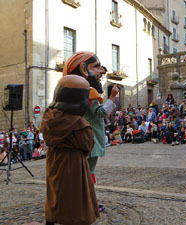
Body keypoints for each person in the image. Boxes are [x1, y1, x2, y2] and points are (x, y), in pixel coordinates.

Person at [63, 51, 118, 212]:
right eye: (97, 67)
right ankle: (87, 202)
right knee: (88, 172)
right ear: (83, 69)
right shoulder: (89, 92)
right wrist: (112, 97)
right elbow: (100, 113)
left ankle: (82, 201)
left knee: (81, 172)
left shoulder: (70, 91)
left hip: (78, 137)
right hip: (90, 138)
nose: (101, 71)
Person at [40, 75, 99, 225]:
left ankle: (52, 219)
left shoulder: (49, 116)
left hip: (54, 158)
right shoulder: (79, 123)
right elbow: (88, 145)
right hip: (73, 162)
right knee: (75, 195)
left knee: (55, 192)